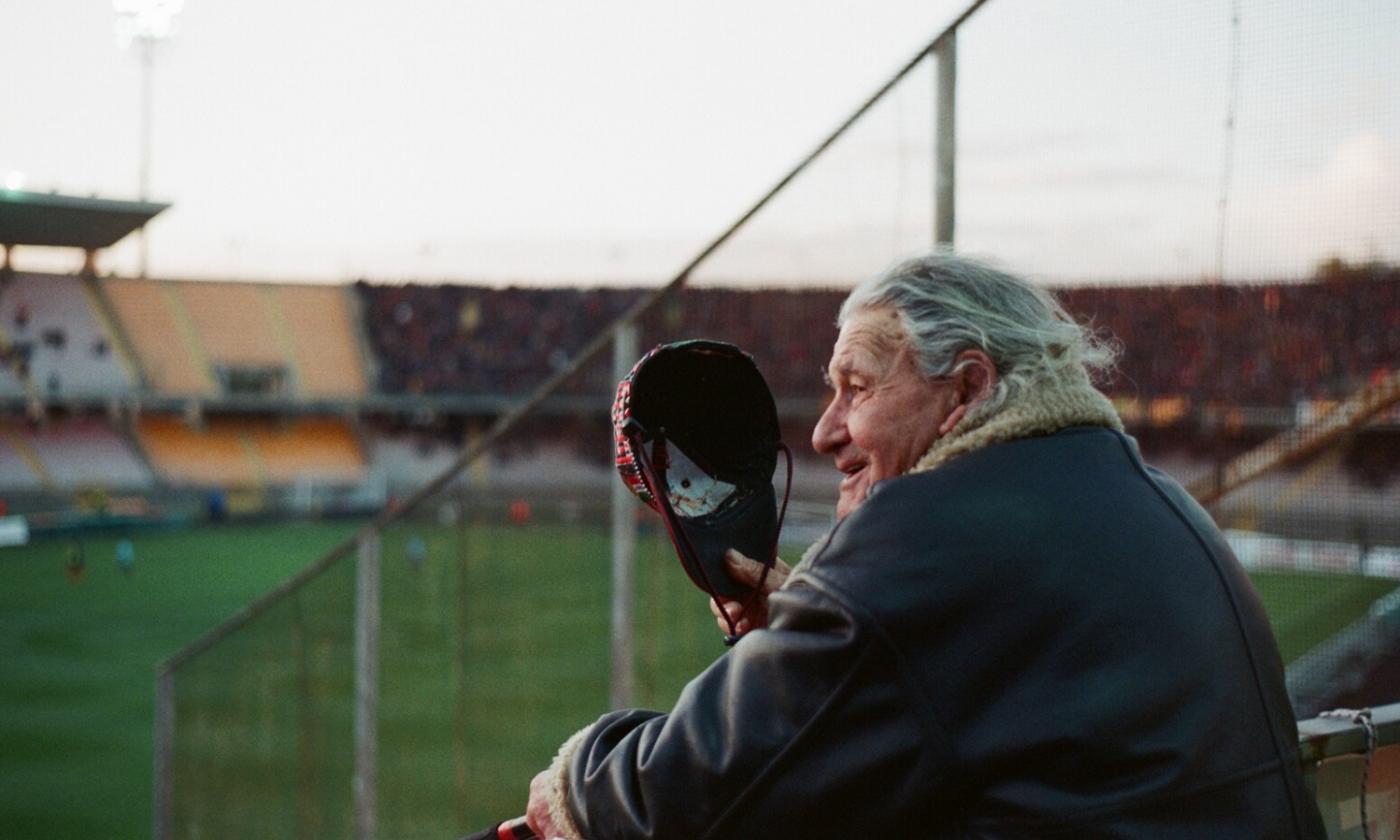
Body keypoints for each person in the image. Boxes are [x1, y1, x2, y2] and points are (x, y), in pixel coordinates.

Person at [524, 252, 1325, 838]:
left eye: (858, 388)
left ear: (967, 389)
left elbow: (686, 797)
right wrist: (810, 622)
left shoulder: (924, 533)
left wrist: (574, 785)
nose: (826, 429)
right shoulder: (1152, 499)